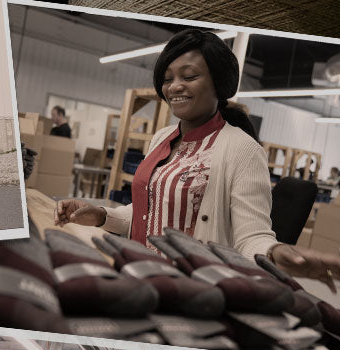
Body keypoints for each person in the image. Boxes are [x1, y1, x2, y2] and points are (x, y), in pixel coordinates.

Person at [54, 29, 340, 292]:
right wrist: (102, 215)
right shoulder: (161, 138)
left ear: (219, 82)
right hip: (139, 276)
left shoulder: (242, 149)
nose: (174, 86)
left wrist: (274, 253)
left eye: (189, 76)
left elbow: (250, 237)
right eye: (168, 78)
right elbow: (150, 212)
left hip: (192, 291)